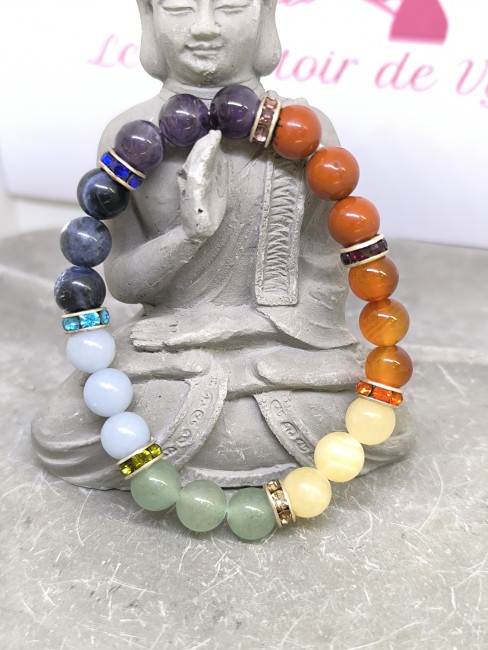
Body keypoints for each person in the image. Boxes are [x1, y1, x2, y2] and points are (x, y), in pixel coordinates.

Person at [32, 0, 415, 489]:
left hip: (283, 346)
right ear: (148, 15)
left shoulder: (304, 132)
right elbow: (124, 282)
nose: (204, 28)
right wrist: (189, 235)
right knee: (62, 429)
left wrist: (232, 323)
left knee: (380, 416)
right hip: (166, 346)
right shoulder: (128, 137)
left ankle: (217, 419)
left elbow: (324, 280)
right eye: (178, 7)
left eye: (231, 6)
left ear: (266, 13)